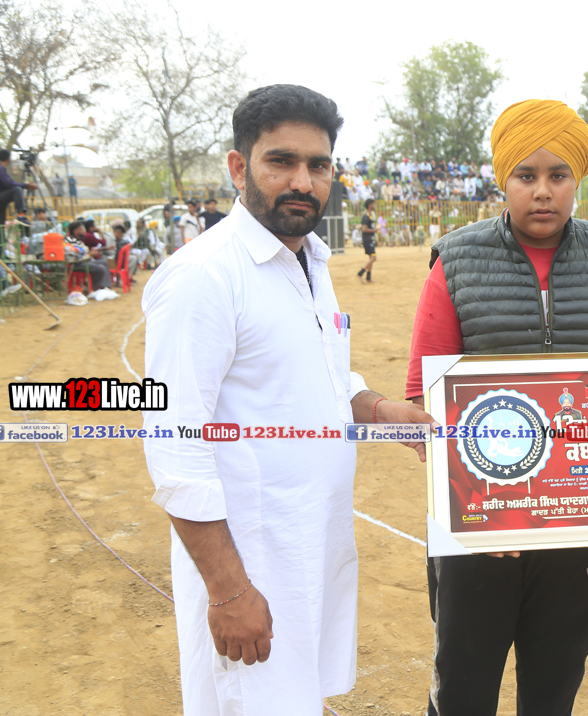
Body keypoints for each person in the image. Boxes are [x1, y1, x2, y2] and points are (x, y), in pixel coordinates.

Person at [141, 84, 433, 716]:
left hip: (310, 547)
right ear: (239, 167)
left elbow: (325, 377)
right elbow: (174, 448)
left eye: (318, 165)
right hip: (250, 562)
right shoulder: (203, 277)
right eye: (282, 161)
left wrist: (379, 409)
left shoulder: (309, 260)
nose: (303, 181)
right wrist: (228, 591)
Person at [406, 99, 588, 716]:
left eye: (558, 175)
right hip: (478, 526)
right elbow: (423, 399)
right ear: (503, 180)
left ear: (578, 179)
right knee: (462, 687)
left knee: (554, 686)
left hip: (578, 520)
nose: (543, 191)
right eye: (526, 175)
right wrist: (486, 507)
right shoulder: (455, 260)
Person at [0, 149, 38, 224]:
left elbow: (10, 183)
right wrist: (27, 186)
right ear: (9, 160)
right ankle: (21, 216)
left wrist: (26, 185)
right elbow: (9, 184)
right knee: (16, 190)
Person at [67, 219, 111, 293]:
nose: (84, 231)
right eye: (81, 229)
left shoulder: (79, 240)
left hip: (85, 260)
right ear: (75, 231)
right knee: (100, 268)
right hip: (77, 264)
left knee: (104, 262)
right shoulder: (71, 241)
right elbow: (76, 256)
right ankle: (91, 289)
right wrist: (90, 254)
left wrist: (90, 253)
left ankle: (104, 287)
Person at [356, 198, 377, 282]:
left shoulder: (370, 215)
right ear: (370, 205)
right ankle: (360, 273)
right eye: (373, 204)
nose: (375, 205)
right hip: (367, 239)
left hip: (369, 238)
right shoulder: (366, 216)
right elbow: (364, 229)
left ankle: (368, 277)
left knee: (371, 257)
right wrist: (375, 230)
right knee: (373, 258)